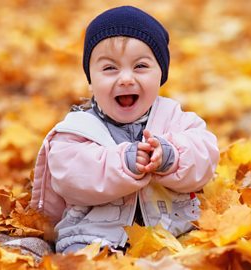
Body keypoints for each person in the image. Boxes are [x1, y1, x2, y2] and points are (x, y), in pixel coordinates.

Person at [30, 5, 219, 254]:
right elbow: (71, 177)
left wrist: (171, 156)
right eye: (110, 68)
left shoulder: (174, 118)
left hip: (172, 232)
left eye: (140, 66)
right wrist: (123, 163)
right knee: (79, 258)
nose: (126, 78)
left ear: (161, 74)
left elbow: (205, 156)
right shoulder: (79, 128)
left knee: (204, 253)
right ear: (91, 79)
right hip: (92, 236)